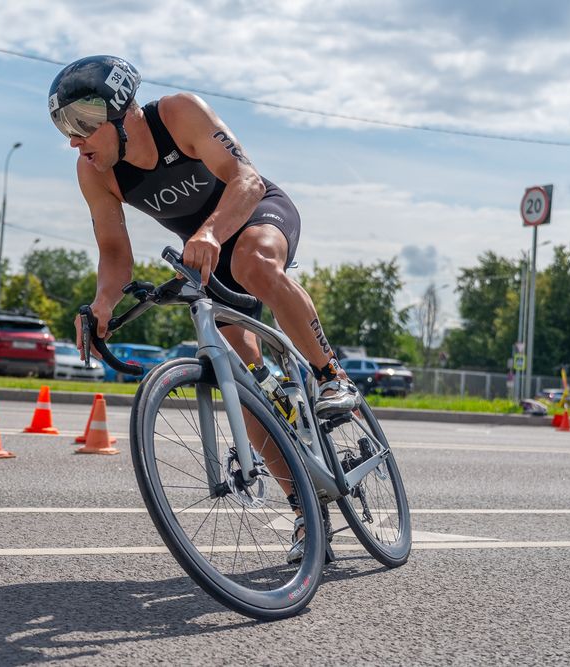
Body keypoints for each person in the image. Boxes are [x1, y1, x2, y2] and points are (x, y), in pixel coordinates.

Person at [48, 55, 360, 562]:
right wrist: (103, 301)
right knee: (240, 379)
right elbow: (114, 253)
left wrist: (212, 231)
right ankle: (306, 510)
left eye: (82, 123)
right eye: (63, 127)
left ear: (122, 110)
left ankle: (331, 374)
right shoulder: (94, 172)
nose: (74, 140)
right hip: (205, 254)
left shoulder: (178, 113)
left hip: (255, 215)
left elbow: (247, 179)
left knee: (254, 260)